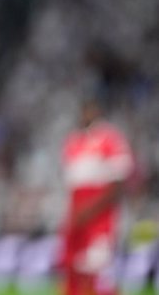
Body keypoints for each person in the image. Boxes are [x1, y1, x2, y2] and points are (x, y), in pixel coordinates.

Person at [59, 98, 133, 295]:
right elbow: (73, 186)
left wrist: (90, 211)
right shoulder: (73, 141)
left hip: (100, 217)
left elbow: (117, 185)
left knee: (99, 271)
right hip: (77, 215)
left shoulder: (110, 138)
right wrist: (75, 215)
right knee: (73, 269)